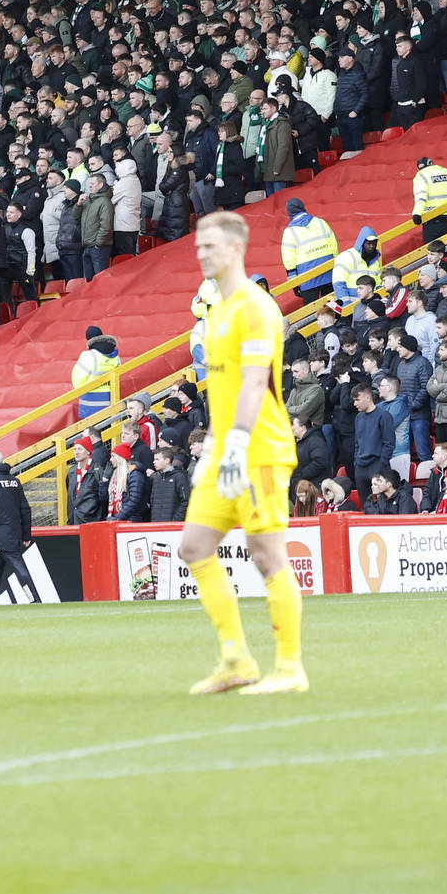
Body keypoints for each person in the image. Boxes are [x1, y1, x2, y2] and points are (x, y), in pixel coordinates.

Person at [179, 209, 309, 695]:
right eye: (197, 245)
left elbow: (256, 384)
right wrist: (214, 446)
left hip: (261, 450)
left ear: (235, 248)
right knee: (193, 547)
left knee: (267, 554)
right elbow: (225, 390)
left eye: (208, 245)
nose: (200, 253)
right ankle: (236, 659)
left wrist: (234, 444)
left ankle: (290, 668)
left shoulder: (255, 306)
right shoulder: (217, 311)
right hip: (225, 450)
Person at [0, 439, 44, 604]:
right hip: (13, 531)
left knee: (18, 567)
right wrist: (26, 533)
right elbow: (25, 509)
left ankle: (34, 599)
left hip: (0, 534)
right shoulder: (14, 480)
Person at [278, 197, 338, 299]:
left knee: (311, 310)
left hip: (306, 275)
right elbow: (334, 246)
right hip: (328, 269)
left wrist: (294, 282)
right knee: (334, 306)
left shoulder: (290, 231)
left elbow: (289, 259)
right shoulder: (320, 222)